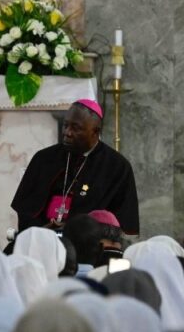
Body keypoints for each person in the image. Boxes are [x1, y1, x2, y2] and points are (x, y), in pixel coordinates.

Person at [11, 99, 139, 235]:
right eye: (65, 125)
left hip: (89, 247)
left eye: (75, 128)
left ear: (95, 132)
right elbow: (25, 210)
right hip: (40, 239)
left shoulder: (117, 167)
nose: (67, 132)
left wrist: (73, 231)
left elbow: (119, 224)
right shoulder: (44, 158)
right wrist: (42, 231)